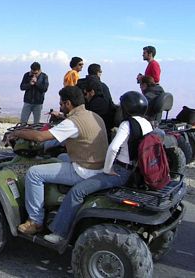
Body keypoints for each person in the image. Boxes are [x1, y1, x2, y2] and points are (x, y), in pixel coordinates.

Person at [42, 91, 152, 243]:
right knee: (62, 158)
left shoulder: (127, 124)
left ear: (127, 108)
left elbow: (113, 148)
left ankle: (59, 233)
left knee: (77, 192)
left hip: (119, 171)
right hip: (133, 170)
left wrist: (107, 169)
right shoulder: (146, 123)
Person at [11, 86, 108, 235]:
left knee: (34, 173)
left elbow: (39, 137)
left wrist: (18, 132)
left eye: (61, 103)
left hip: (84, 170)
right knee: (60, 157)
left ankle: (35, 221)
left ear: (68, 103)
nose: (60, 106)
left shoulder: (73, 122)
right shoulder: (93, 116)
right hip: (98, 165)